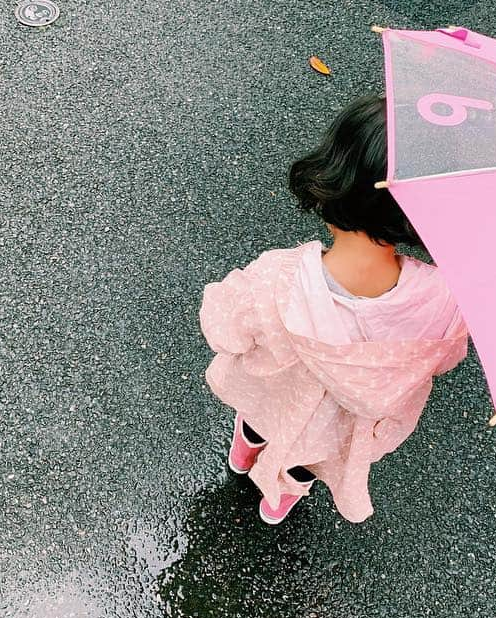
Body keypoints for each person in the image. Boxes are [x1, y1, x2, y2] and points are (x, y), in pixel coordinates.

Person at [199, 95, 468, 524]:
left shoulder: (277, 278)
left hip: (273, 398)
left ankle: (247, 448)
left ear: (333, 178)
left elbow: (224, 328)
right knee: (310, 456)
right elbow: (445, 359)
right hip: (337, 429)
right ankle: (282, 497)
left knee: (260, 416)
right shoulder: (445, 298)